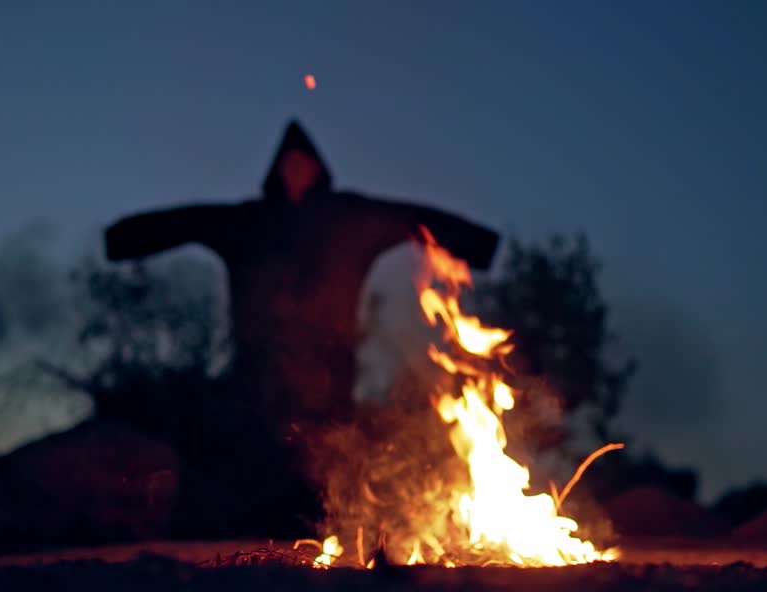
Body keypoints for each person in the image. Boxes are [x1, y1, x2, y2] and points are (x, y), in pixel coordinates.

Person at [103, 120, 500, 534]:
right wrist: (120, 241)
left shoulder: (350, 218)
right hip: (257, 373)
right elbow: (186, 222)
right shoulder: (247, 223)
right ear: (275, 171)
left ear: (318, 169)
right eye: (287, 166)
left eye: (303, 165)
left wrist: (479, 245)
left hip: (330, 374)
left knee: (324, 474)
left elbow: (414, 219)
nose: (295, 173)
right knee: (250, 475)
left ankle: (323, 550)